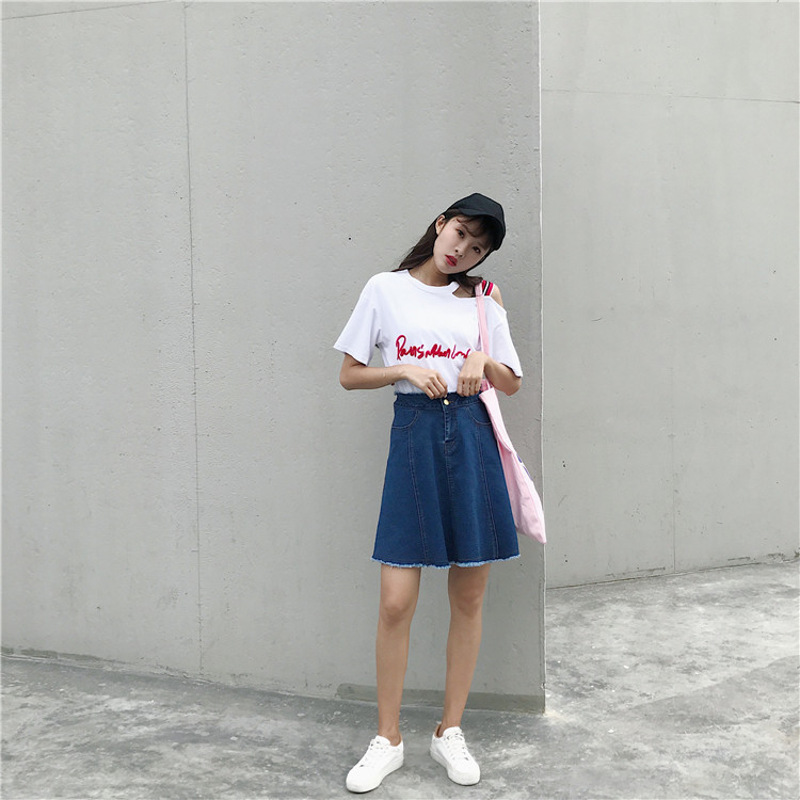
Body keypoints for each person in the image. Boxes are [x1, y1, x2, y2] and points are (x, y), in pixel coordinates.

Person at [334, 193, 523, 793]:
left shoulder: (484, 299)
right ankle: (387, 739)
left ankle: (449, 730)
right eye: (459, 233)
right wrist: (403, 370)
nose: (462, 250)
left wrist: (480, 358)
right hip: (413, 435)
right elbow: (349, 374)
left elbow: (511, 383)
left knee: (469, 595)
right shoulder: (384, 290)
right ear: (441, 224)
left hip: (471, 437)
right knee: (395, 601)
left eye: (477, 246)